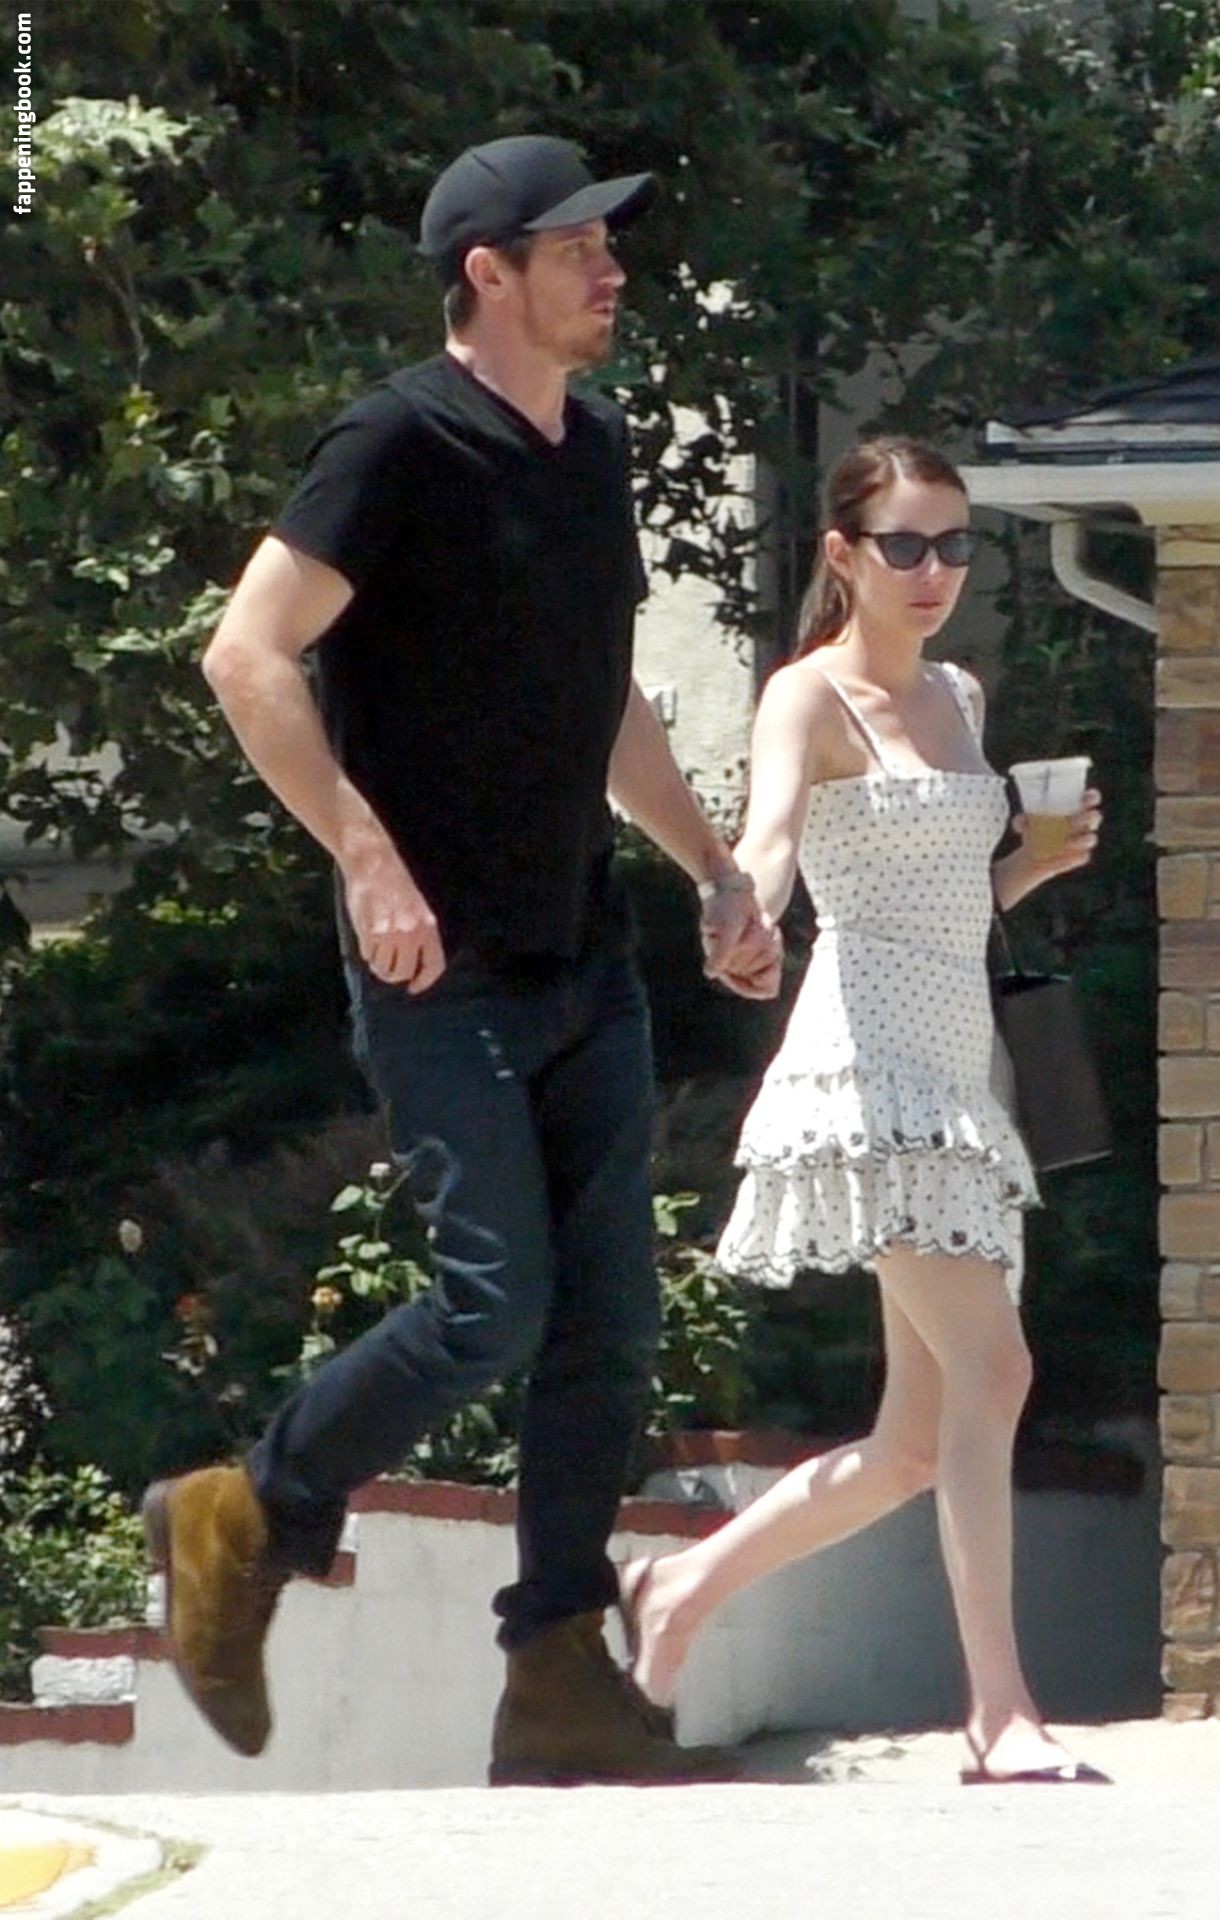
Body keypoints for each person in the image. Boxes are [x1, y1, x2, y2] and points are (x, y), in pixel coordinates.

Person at [142, 134, 781, 1787]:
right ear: (487, 272)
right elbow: (245, 654)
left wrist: (715, 867)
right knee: (497, 1307)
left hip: (583, 955)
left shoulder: (595, 449)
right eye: (578, 247)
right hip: (444, 973)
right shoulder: (396, 442)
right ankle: (246, 1507)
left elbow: (603, 697)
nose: (612, 268)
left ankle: (558, 1683)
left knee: (609, 1328)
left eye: (612, 244)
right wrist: (364, 856)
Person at [619, 437, 1111, 1785]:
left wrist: (1033, 866)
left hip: (962, 1071)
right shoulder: (807, 695)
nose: (934, 569)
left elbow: (950, 910)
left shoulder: (958, 692)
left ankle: (682, 1587)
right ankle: (999, 1714)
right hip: (867, 1071)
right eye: (905, 544)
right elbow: (773, 845)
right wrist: (742, 911)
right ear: (843, 554)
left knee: (910, 1449)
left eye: (953, 543)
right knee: (997, 1376)